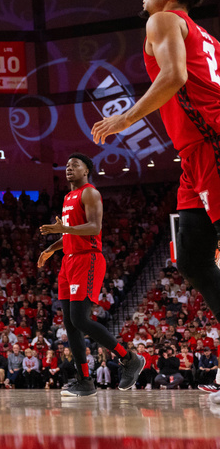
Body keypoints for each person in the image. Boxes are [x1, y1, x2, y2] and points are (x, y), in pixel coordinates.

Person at [90, 0, 220, 396]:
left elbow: (174, 76)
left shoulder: (163, 19)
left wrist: (125, 117)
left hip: (212, 145)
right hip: (195, 156)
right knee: (193, 260)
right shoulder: (208, 37)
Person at [38, 153, 145, 397]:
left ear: (86, 171)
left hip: (88, 259)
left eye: (75, 165)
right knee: (70, 324)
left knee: (80, 319)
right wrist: (50, 249)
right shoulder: (67, 197)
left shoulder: (90, 192)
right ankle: (85, 381)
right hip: (69, 261)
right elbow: (69, 235)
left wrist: (63, 229)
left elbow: (94, 227)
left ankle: (129, 359)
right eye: (66, 165)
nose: (69, 168)